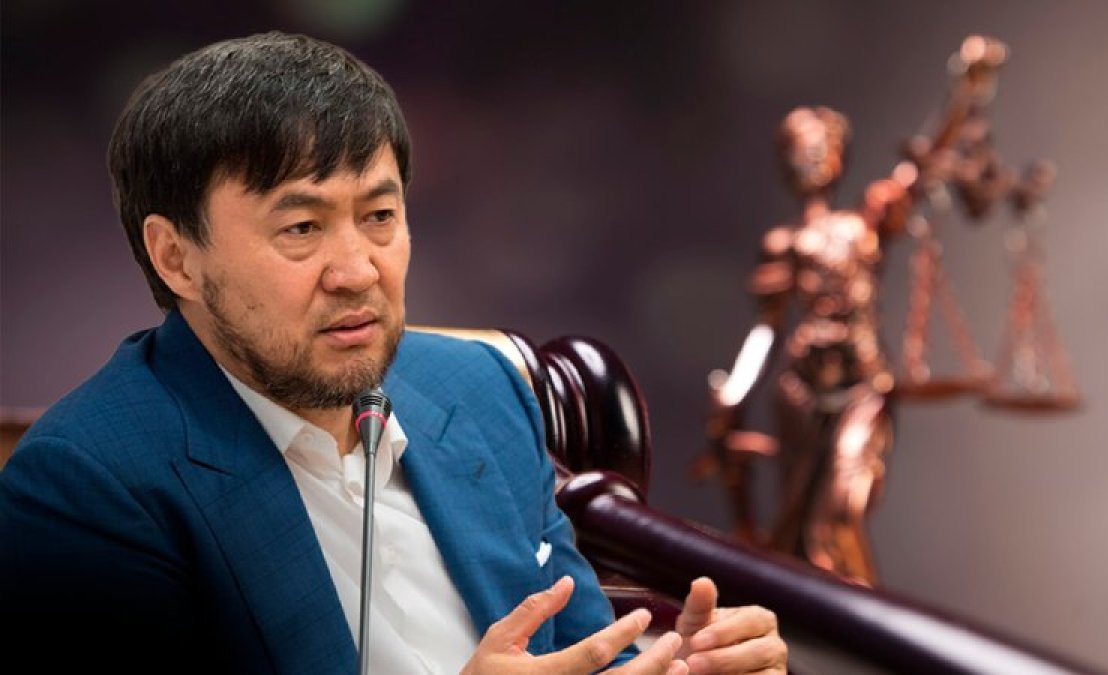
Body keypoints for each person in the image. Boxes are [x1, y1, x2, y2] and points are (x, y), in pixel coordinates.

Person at [0, 32, 786, 675]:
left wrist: (677, 664)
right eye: (301, 228)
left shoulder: (480, 388)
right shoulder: (87, 484)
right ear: (176, 257)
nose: (358, 271)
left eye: (379, 216)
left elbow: (582, 648)